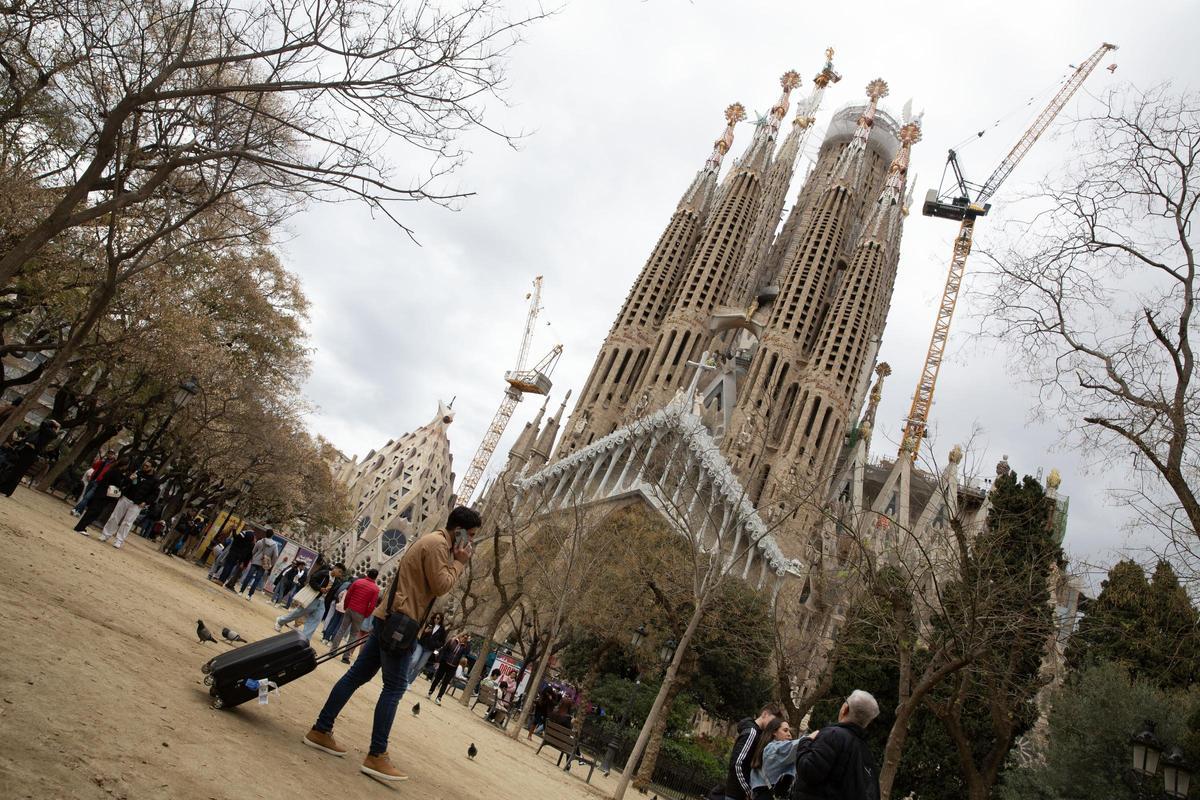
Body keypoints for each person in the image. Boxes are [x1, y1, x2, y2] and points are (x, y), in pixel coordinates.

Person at [302, 506, 480, 783]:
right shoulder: (436, 546)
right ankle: (376, 754)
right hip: (402, 622)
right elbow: (442, 585)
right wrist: (459, 562)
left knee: (357, 675)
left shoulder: (436, 544)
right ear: (457, 531)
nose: (469, 542)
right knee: (395, 687)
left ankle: (321, 729)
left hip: (393, 617)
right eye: (469, 535)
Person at [793, 690, 880, 800]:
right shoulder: (865, 751)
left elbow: (808, 771)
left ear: (845, 709)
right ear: (868, 721)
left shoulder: (833, 735)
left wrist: (806, 741)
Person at [720, 704, 784, 800]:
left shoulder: (759, 734)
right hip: (737, 793)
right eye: (772, 721)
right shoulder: (752, 733)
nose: (773, 725)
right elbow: (737, 764)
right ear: (764, 714)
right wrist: (747, 790)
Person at [275, 558, 344, 641]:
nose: (340, 574)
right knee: (298, 613)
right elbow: (312, 580)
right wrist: (319, 588)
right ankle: (280, 621)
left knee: (315, 620)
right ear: (335, 568)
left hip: (322, 602)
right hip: (313, 598)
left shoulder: (337, 582)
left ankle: (305, 639)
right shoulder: (324, 573)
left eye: (341, 573)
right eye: (339, 571)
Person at [98, 460, 160, 549]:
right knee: (115, 516)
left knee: (127, 523)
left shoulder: (155, 480)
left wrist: (146, 502)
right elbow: (126, 482)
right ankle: (106, 534)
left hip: (137, 504)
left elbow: (155, 494)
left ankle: (119, 540)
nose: (144, 467)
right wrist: (130, 478)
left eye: (147, 466)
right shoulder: (137, 472)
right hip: (126, 498)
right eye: (144, 465)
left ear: (153, 468)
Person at [329, 568, 381, 663]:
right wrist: (366, 614)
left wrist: (346, 606)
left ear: (368, 573)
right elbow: (372, 604)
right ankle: (346, 657)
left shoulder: (358, 582)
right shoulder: (375, 589)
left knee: (342, 629)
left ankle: (333, 651)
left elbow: (349, 594)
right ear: (376, 577)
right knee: (353, 635)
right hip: (360, 612)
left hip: (350, 608)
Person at [0, 418, 60, 496]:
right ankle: (6, 489)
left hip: (28, 454)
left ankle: (6, 490)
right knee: (15, 472)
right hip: (27, 453)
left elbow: (44, 424)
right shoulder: (44, 433)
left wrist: (54, 423)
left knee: (16, 473)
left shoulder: (48, 433)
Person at [748, 717, 802, 799]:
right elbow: (790, 747)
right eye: (785, 730)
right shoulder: (772, 749)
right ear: (774, 732)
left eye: (789, 731)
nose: (789, 734)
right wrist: (811, 737)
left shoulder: (767, 750)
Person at [428, 632, 470, 706]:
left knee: (445, 683)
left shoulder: (464, 647)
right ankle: (430, 691)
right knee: (437, 679)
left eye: (466, 638)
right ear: (461, 635)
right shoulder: (452, 641)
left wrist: (469, 642)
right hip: (444, 663)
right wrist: (438, 661)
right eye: (463, 636)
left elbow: (467, 653)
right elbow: (443, 650)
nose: (464, 639)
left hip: (453, 667)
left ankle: (439, 698)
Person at [406, 611, 448, 684]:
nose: (436, 619)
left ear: (441, 619)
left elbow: (442, 642)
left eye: (438, 618)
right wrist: (425, 632)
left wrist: (435, 644)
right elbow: (420, 635)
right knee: (414, 661)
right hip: (421, 645)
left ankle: (409, 682)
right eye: (435, 617)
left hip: (429, 650)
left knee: (419, 666)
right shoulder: (429, 624)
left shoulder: (442, 630)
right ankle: (404, 678)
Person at [238, 530, 279, 599]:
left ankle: (241, 591)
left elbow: (253, 551)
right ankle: (249, 595)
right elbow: (276, 555)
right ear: (272, 536)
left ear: (265, 534)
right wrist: (271, 563)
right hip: (264, 564)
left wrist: (254, 558)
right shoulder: (274, 545)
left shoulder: (260, 541)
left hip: (255, 561)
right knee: (257, 580)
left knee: (248, 576)